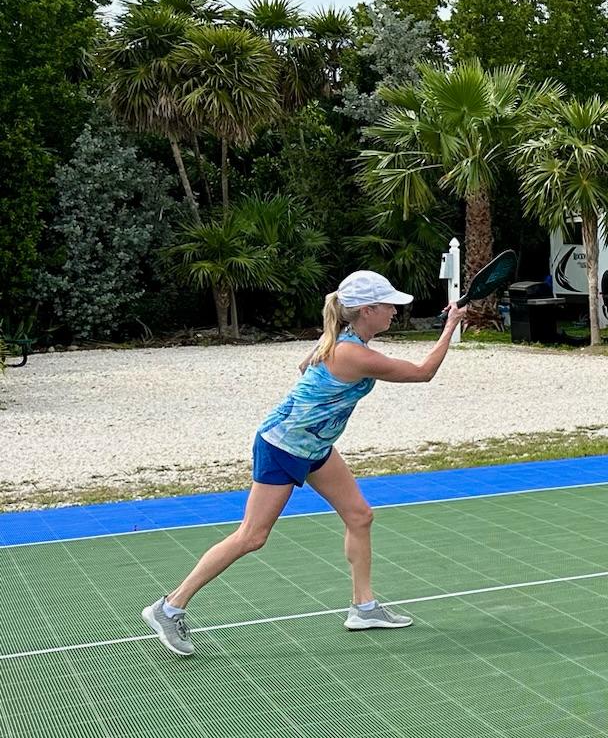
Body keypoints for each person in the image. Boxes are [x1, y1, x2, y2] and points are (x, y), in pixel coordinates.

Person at [142, 271, 462, 658]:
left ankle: (363, 608)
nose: (395, 312)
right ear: (366, 310)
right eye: (389, 305)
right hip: (283, 446)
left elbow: (303, 368)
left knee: (359, 516)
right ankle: (169, 607)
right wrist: (450, 325)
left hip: (315, 447)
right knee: (252, 536)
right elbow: (423, 373)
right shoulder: (351, 353)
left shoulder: (341, 341)